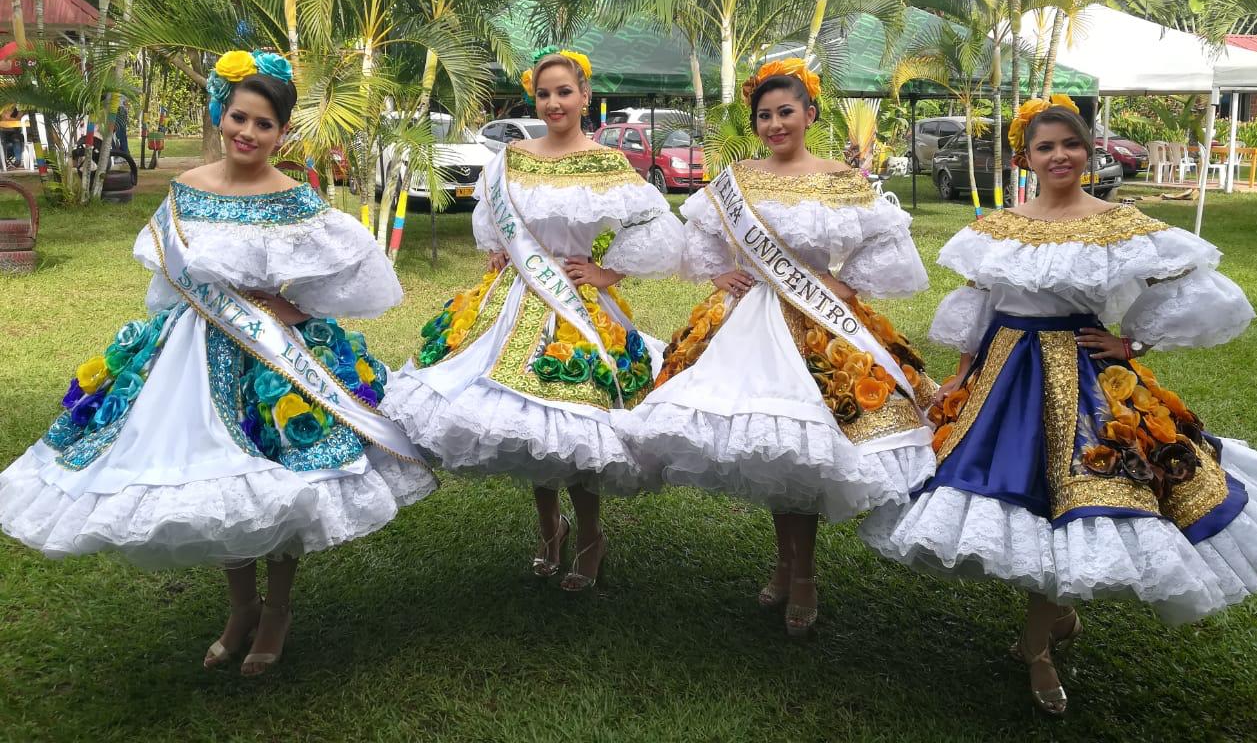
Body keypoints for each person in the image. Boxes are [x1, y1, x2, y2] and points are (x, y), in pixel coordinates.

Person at [0, 49, 436, 675]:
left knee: (286, 484)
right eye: (239, 118)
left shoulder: (294, 199)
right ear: (221, 114)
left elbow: (356, 275)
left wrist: (294, 307)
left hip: (277, 362)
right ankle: (240, 610)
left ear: (282, 133)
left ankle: (277, 611)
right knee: (215, 484)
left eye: (264, 124)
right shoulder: (185, 191)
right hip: (192, 356)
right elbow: (165, 286)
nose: (248, 134)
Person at [860, 99, 1257, 716]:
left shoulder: (1121, 224)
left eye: (1070, 145)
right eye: (1045, 147)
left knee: (1075, 496)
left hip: (1082, 375)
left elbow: (1196, 287)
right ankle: (1053, 622)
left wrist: (1132, 341)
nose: (1060, 156)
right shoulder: (997, 227)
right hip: (1003, 374)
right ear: (1024, 158)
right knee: (1021, 494)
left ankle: (1036, 644)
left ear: (1089, 151)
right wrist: (959, 379)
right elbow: (980, 308)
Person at [625, 59, 936, 637]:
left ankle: (804, 572)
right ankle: (788, 564)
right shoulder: (736, 178)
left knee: (805, 447)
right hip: (745, 324)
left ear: (809, 114)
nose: (774, 123)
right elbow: (698, 231)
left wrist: (847, 284)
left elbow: (889, 237)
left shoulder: (843, 179)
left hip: (821, 327)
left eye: (785, 112)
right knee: (777, 448)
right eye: (764, 115)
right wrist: (719, 275)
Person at [381, 50, 683, 590]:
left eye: (564, 92)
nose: (554, 103)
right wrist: (498, 251)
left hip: (579, 308)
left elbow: (656, 226)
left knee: (580, 423)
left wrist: (606, 272)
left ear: (584, 96)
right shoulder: (511, 159)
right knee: (528, 426)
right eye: (544, 94)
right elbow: (490, 219)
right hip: (512, 300)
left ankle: (590, 535)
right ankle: (550, 528)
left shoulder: (606, 162)